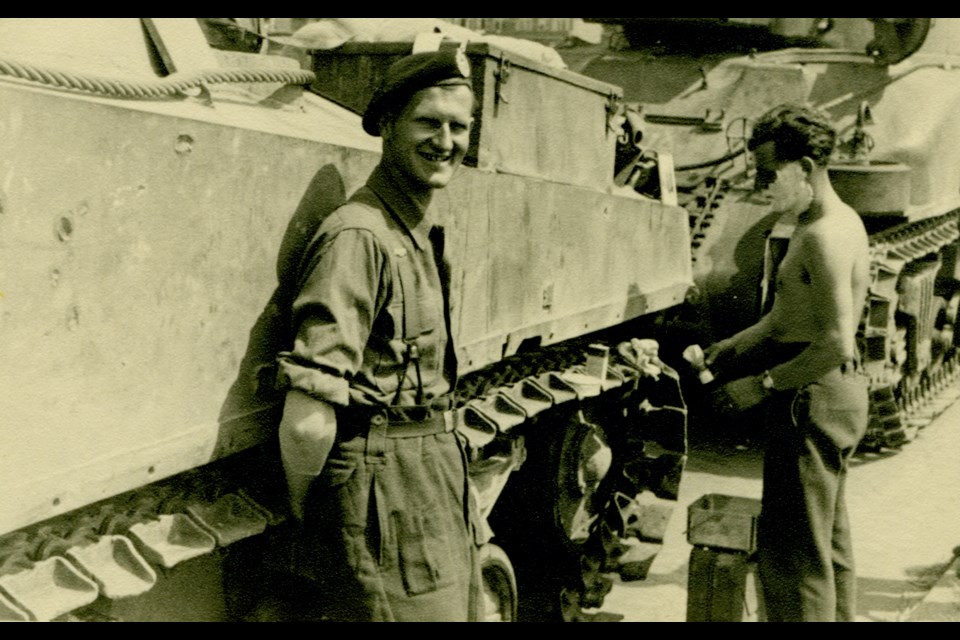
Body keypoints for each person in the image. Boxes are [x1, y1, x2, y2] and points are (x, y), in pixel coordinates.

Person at [273, 48, 481, 622]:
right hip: (385, 489)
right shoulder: (359, 237)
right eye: (428, 121)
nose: (445, 141)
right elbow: (308, 416)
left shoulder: (411, 227)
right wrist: (307, 504)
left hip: (428, 474)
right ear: (386, 125)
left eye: (458, 126)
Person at [704, 103, 871, 622]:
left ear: (805, 167)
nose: (761, 185)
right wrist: (731, 347)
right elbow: (783, 317)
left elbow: (837, 341)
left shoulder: (821, 237)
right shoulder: (823, 222)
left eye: (768, 172)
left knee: (793, 559)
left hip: (812, 398)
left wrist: (763, 383)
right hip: (832, 396)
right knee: (827, 545)